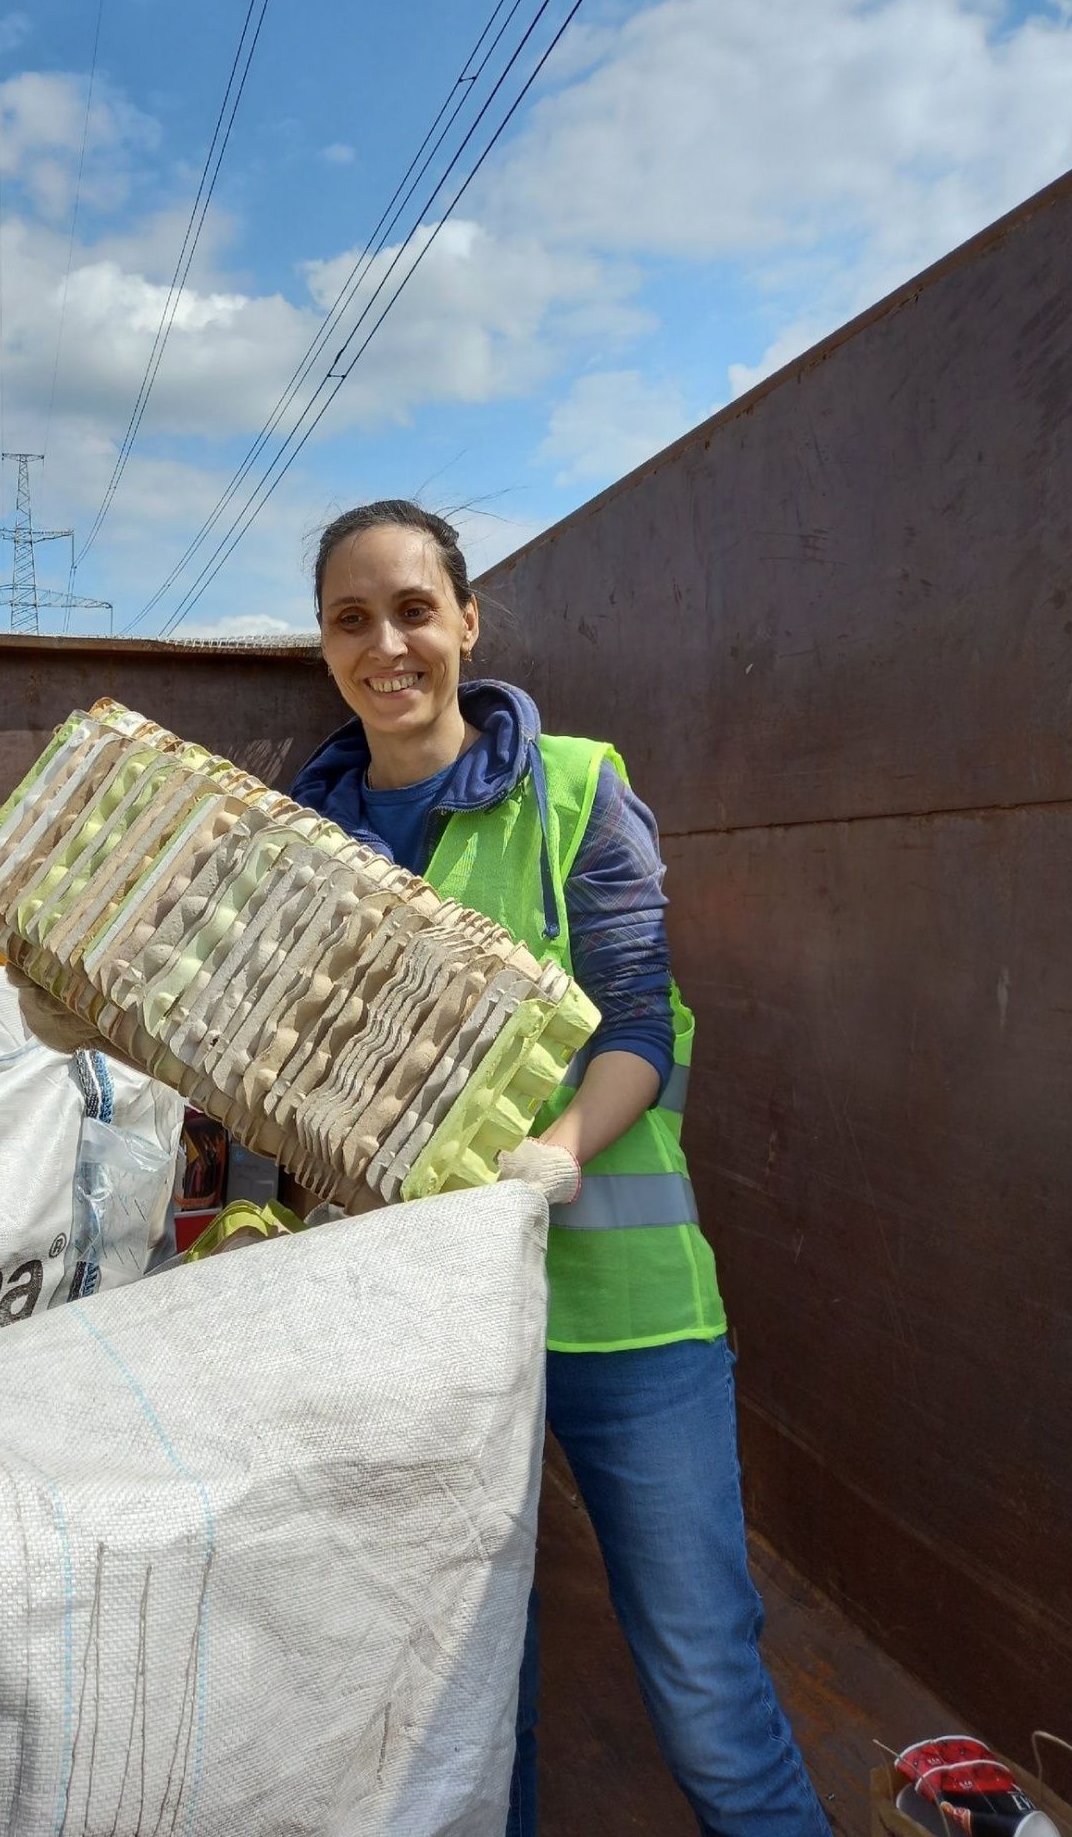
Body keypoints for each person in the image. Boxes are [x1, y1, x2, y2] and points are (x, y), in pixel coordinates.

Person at [290, 500, 833, 1837]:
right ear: (323, 644)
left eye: (414, 609)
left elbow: (640, 1018)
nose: (388, 645)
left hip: (625, 1316)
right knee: (472, 1705)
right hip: (429, 1334)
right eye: (351, 620)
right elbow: (283, 1067)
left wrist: (558, 1150)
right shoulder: (304, 840)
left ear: (467, 623)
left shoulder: (577, 786)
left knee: (709, 1698)